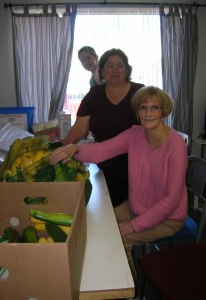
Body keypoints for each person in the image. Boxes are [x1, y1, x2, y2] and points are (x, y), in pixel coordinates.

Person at [49, 86, 188, 278]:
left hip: (168, 218)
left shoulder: (175, 145)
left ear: (163, 111)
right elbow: (101, 150)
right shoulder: (134, 134)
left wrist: (132, 226)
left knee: (117, 240)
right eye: (143, 108)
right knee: (96, 223)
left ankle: (127, 291)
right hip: (136, 207)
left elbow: (171, 200)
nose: (148, 113)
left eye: (154, 108)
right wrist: (73, 148)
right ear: (137, 112)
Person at [62, 48, 144, 217]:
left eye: (119, 66)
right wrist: (61, 148)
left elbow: (152, 127)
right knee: (106, 215)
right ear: (102, 70)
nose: (114, 70)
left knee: (121, 218)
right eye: (109, 66)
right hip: (105, 167)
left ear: (127, 70)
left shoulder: (140, 93)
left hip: (136, 167)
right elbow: (79, 128)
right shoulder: (94, 95)